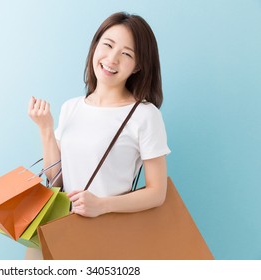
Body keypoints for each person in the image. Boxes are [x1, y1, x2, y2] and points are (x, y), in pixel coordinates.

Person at [26, 12, 170, 259]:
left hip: (105, 236)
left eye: (126, 54)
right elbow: (56, 178)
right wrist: (45, 129)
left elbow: (158, 192)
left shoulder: (144, 115)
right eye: (108, 45)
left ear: (138, 66)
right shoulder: (72, 107)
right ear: (95, 46)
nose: (112, 59)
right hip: (56, 231)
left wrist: (102, 205)